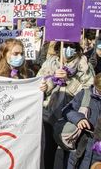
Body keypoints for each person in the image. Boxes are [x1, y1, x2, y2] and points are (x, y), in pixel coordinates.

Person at [38, 41, 95, 169]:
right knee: (49, 148)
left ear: (77, 49)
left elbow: (89, 89)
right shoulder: (49, 63)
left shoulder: (84, 65)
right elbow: (40, 83)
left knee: (68, 148)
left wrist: (69, 79)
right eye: (66, 46)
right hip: (50, 112)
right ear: (59, 48)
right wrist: (50, 81)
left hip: (71, 113)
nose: (68, 49)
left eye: (72, 47)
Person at [62, 73, 101, 168]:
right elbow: (67, 110)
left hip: (98, 152)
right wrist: (79, 119)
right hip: (80, 146)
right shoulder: (85, 94)